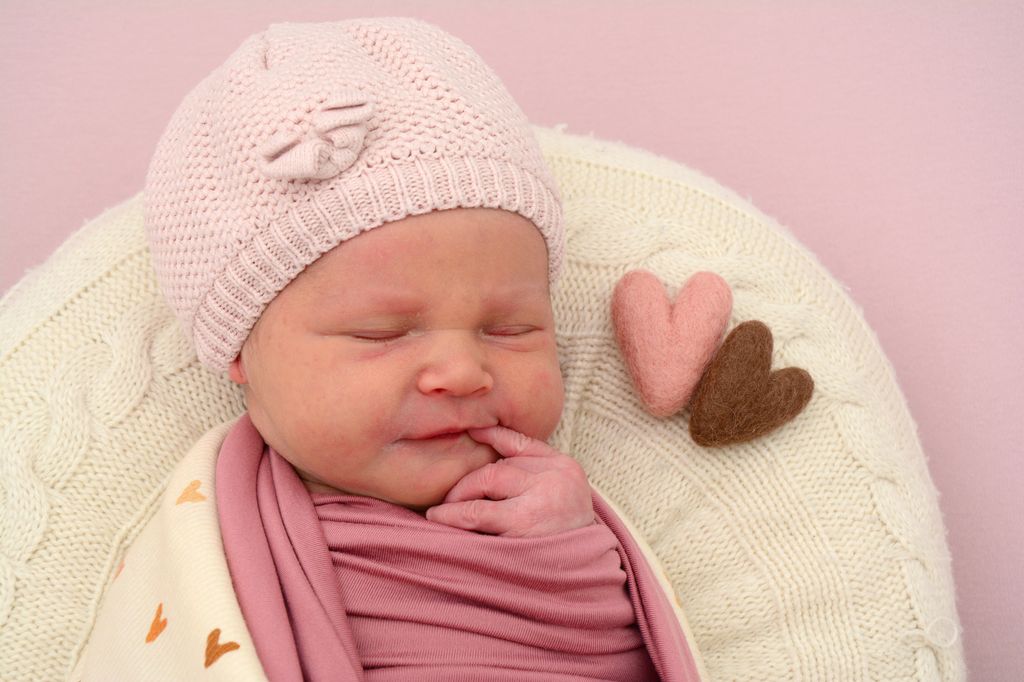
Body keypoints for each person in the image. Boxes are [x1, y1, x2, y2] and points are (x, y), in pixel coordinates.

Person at [77, 17, 702, 680]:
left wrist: (570, 550)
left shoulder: (561, 507)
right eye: (381, 332)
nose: (462, 372)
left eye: (510, 328)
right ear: (238, 350)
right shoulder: (211, 551)